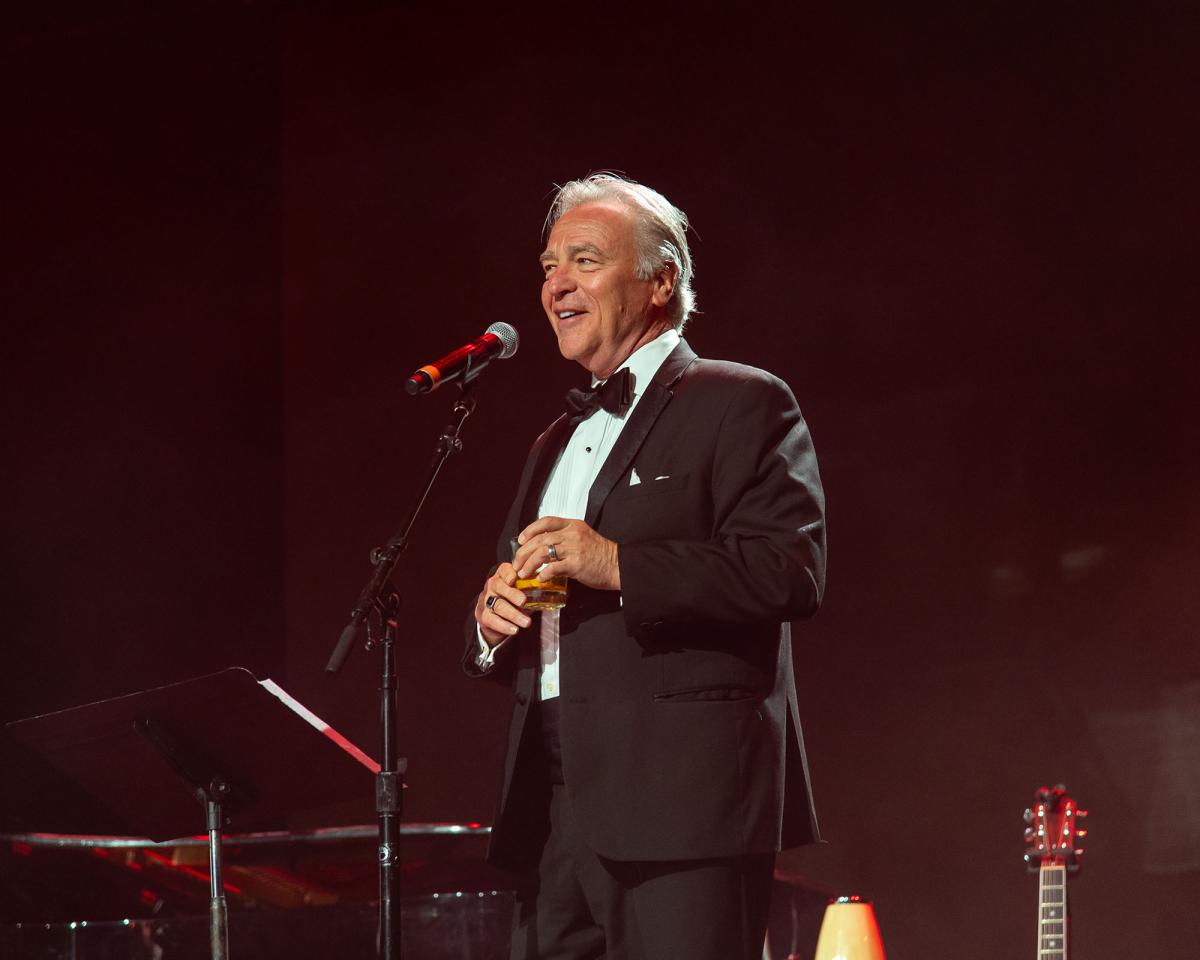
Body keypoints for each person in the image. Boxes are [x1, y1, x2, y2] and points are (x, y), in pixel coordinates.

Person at [463, 173, 826, 960]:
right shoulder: (551, 443)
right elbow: (518, 599)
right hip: (553, 804)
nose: (556, 283)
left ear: (660, 281)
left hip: (682, 800)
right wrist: (491, 624)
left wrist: (617, 563)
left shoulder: (741, 400)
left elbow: (788, 569)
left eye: (584, 260)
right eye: (548, 266)